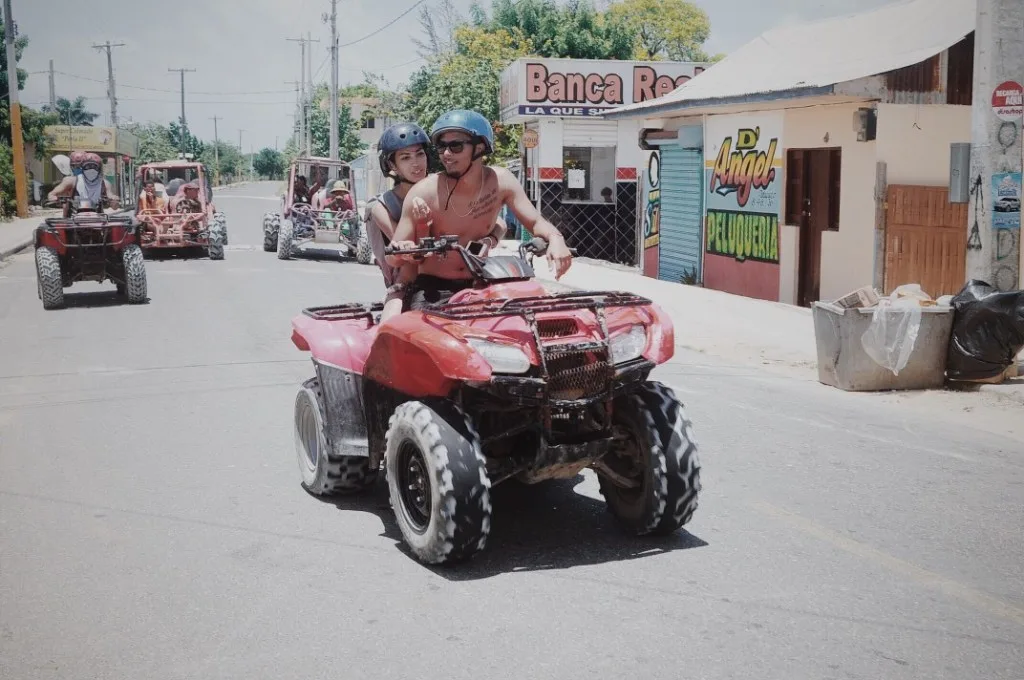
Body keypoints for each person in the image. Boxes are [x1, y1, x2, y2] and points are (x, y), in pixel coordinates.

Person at [389, 109, 572, 311]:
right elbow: (392, 256)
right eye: (441, 147)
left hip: (482, 286)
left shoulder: (501, 182)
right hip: (433, 291)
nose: (447, 154)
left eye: (456, 146)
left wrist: (556, 239)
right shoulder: (424, 192)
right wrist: (403, 250)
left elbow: (536, 222)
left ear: (480, 147)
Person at [47, 152, 120, 216]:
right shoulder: (71, 181)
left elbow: (111, 200)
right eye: (87, 167)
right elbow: (52, 193)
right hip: (73, 219)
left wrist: (114, 200)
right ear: (82, 168)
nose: (91, 169)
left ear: (99, 169)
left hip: (98, 220)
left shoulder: (105, 183)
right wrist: (53, 198)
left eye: (94, 167)